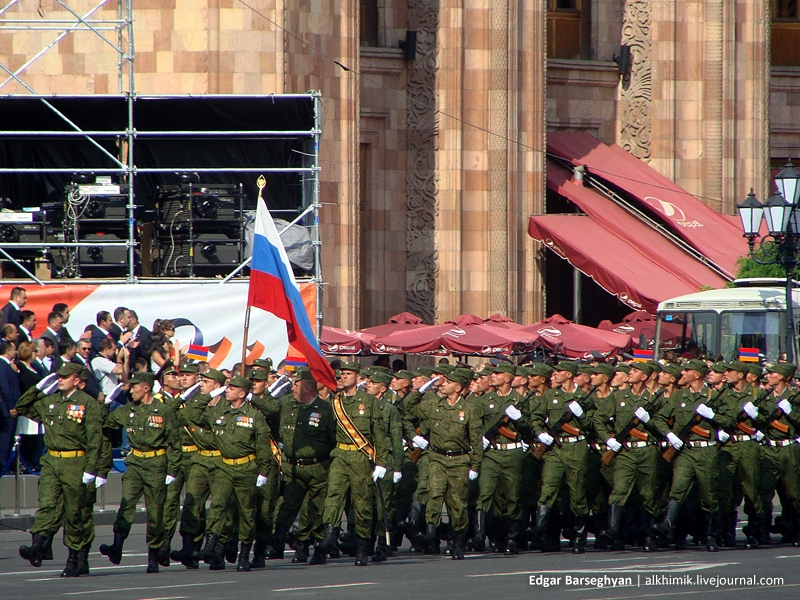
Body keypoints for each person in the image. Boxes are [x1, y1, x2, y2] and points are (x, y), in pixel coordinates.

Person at [16, 363, 103, 577]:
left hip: (76, 462)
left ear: (78, 381)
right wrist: (37, 389)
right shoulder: (51, 401)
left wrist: (93, 470)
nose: (60, 379)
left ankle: (74, 558)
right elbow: (22, 406)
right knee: (47, 505)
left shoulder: (87, 404)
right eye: (59, 376)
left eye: (66, 376)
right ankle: (38, 546)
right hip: (52, 461)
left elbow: (95, 440)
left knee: (75, 512)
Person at [99, 371, 182, 573]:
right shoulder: (130, 409)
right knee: (126, 504)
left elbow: (175, 443)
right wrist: (106, 402)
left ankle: (153, 556)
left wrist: (172, 470)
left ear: (146, 387)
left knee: (155, 510)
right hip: (135, 462)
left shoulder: (163, 410)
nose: (131, 390)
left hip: (156, 462)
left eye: (135, 386)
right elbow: (105, 420)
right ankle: (117, 546)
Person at [254, 367, 337, 565]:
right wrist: (251, 396)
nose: (292, 388)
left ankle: (318, 548)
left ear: (308, 387)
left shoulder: (325, 410)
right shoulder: (287, 405)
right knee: (288, 506)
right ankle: (279, 540)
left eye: (296, 384)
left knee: (317, 509)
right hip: (292, 467)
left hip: (318, 467)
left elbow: (334, 439)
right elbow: (270, 409)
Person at [651, 359, 734, 552]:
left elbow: (730, 422)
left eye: (687, 370)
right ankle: (668, 524)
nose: (683, 373)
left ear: (697, 374)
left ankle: (711, 535)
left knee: (708, 495)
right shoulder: (680, 395)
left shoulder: (714, 396)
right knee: (678, 488)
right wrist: (669, 434)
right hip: (685, 451)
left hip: (707, 451)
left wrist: (713, 416)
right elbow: (660, 418)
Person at [317, 361, 390, 566]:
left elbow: (378, 433)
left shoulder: (369, 401)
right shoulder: (335, 401)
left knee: (362, 504)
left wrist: (381, 462)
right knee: (333, 495)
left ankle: (362, 546)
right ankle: (330, 533)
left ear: (358, 378)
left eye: (349, 374)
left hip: (361, 457)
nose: (344, 377)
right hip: (340, 453)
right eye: (342, 374)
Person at [196, 375, 270, 572]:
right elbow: (191, 415)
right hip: (224, 467)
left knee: (246, 513)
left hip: (246, 468)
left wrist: (264, 471)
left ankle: (244, 555)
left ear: (242, 393)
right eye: (228, 387)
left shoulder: (254, 416)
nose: (227, 390)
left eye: (232, 388)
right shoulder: (220, 413)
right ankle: (210, 545)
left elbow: (263, 447)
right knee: (218, 505)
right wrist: (211, 394)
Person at [413, 368, 482, 560]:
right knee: (434, 494)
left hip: (459, 461)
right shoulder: (435, 404)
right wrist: (421, 390)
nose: (443, 384)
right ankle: (430, 534)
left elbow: (476, 440)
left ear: (458, 387)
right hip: (437, 458)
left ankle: (458, 541)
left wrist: (475, 466)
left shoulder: (469, 410)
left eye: (448, 382)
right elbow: (411, 407)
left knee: (457, 503)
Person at [530, 360, 594, 553]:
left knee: (577, 494)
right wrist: (540, 433)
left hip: (576, 448)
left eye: (559, 372)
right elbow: (536, 418)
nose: (554, 374)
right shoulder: (550, 395)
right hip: (555, 450)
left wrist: (581, 414)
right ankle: (540, 529)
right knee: (548, 488)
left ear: (569, 375)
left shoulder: (584, 397)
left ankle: (579, 536)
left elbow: (591, 425)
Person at [16, 340, 44, 471]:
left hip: (37, 407)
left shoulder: (34, 367)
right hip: (26, 408)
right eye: (34, 351)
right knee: (27, 437)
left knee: (36, 437)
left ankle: (33, 462)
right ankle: (26, 463)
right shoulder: (20, 368)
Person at [0, 340, 21, 469]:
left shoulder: (8, 365)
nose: (16, 352)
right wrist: (11, 406)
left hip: (9, 408)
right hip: (6, 410)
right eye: (14, 350)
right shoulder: (2, 365)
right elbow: (5, 387)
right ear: (8, 351)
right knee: (5, 439)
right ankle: (3, 465)